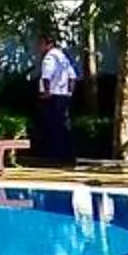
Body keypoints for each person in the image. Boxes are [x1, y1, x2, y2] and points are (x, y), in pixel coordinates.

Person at [35, 33, 80, 167]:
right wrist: (70, 92)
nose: (39, 47)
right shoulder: (63, 57)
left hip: (53, 97)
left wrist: (47, 92)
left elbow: (46, 77)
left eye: (41, 44)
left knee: (52, 127)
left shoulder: (49, 57)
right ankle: (68, 156)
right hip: (63, 96)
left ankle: (55, 157)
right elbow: (73, 77)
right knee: (64, 126)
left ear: (48, 44)